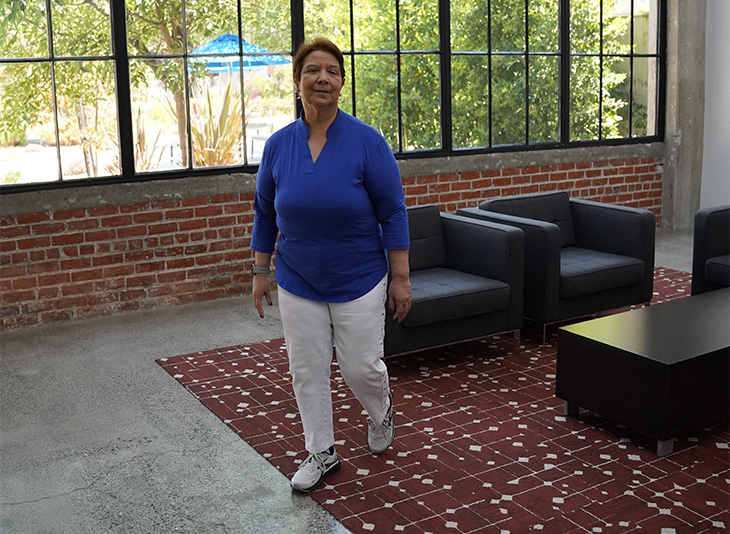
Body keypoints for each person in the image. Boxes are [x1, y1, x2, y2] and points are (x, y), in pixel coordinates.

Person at [250, 37, 412, 493]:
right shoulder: (279, 146)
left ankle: (381, 407)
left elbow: (393, 211)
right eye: (312, 70)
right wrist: (261, 272)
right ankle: (321, 451)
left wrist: (400, 279)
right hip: (297, 277)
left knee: (361, 367)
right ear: (298, 81)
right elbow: (265, 210)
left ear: (342, 82)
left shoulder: (367, 142)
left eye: (333, 71)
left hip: (359, 278)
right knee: (307, 370)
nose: (323, 78)